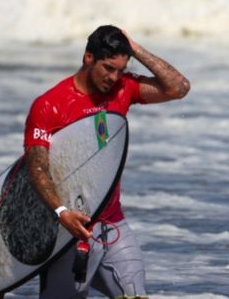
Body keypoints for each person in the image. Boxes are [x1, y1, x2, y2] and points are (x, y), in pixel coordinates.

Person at [23, 25, 190, 299]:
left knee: (135, 296)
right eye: (108, 68)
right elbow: (37, 167)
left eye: (121, 70)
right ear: (88, 58)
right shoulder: (49, 105)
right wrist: (61, 211)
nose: (114, 77)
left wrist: (134, 48)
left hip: (112, 223)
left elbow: (178, 88)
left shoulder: (122, 90)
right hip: (68, 228)